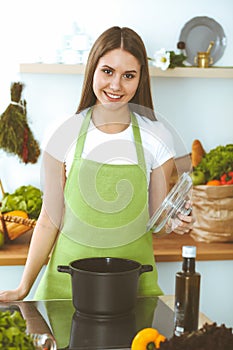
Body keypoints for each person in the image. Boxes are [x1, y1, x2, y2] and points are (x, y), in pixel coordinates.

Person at [0, 26, 193, 301]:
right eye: (107, 71)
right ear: (92, 69)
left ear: (141, 79)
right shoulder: (64, 131)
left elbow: (158, 222)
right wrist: (23, 288)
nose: (116, 85)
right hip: (67, 287)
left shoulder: (156, 136)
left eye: (128, 76)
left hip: (134, 288)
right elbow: (47, 221)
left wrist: (177, 221)